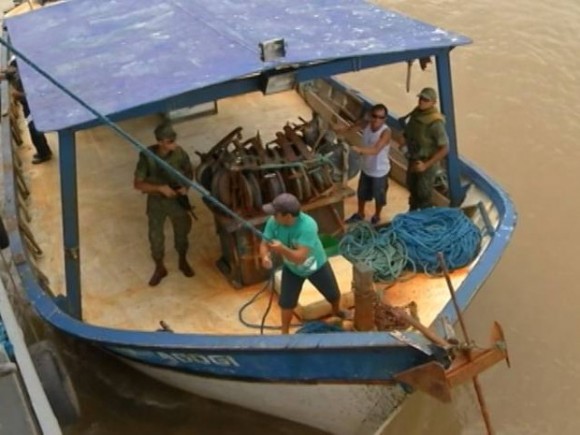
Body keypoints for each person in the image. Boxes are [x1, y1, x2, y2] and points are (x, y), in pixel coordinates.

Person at [259, 193, 343, 334]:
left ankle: (337, 312)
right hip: (292, 269)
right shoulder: (273, 222)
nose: (273, 216)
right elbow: (264, 244)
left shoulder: (308, 226)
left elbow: (300, 258)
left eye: (276, 214)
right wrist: (264, 257)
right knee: (286, 303)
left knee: (333, 294)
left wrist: (282, 249)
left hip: (315, 265)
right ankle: (284, 332)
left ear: (288, 216)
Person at [134, 122, 195, 286]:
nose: (174, 144)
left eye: (174, 140)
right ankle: (159, 267)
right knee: (155, 237)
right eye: (170, 141)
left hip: (177, 200)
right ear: (160, 142)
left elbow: (189, 171)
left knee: (182, 232)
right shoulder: (147, 157)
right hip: (157, 202)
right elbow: (138, 184)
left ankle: (182, 260)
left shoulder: (179, 153)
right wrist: (160, 188)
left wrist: (186, 186)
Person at [335, 104, 393, 225]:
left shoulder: (386, 132)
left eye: (381, 117)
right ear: (371, 116)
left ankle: (377, 215)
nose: (377, 119)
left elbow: (376, 150)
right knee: (362, 193)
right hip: (366, 168)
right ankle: (360, 213)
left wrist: (359, 150)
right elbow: (351, 129)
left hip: (379, 172)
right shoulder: (366, 124)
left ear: (385, 119)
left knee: (379, 196)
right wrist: (340, 130)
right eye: (375, 116)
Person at [399, 87, 449, 210]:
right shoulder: (416, 113)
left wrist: (426, 165)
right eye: (421, 98)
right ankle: (412, 213)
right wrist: (403, 142)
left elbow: (445, 148)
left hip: (426, 162)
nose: (421, 101)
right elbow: (408, 132)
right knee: (411, 187)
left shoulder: (435, 122)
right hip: (413, 158)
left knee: (423, 194)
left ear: (433, 103)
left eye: (426, 100)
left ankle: (422, 219)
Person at [0, 60, 53, 164]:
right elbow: (7, 75)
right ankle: (44, 151)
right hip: (26, 105)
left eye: (11, 67)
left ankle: (44, 154)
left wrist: (18, 95)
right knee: (32, 129)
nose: (9, 68)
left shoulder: (29, 78)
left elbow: (36, 95)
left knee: (34, 130)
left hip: (33, 106)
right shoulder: (15, 73)